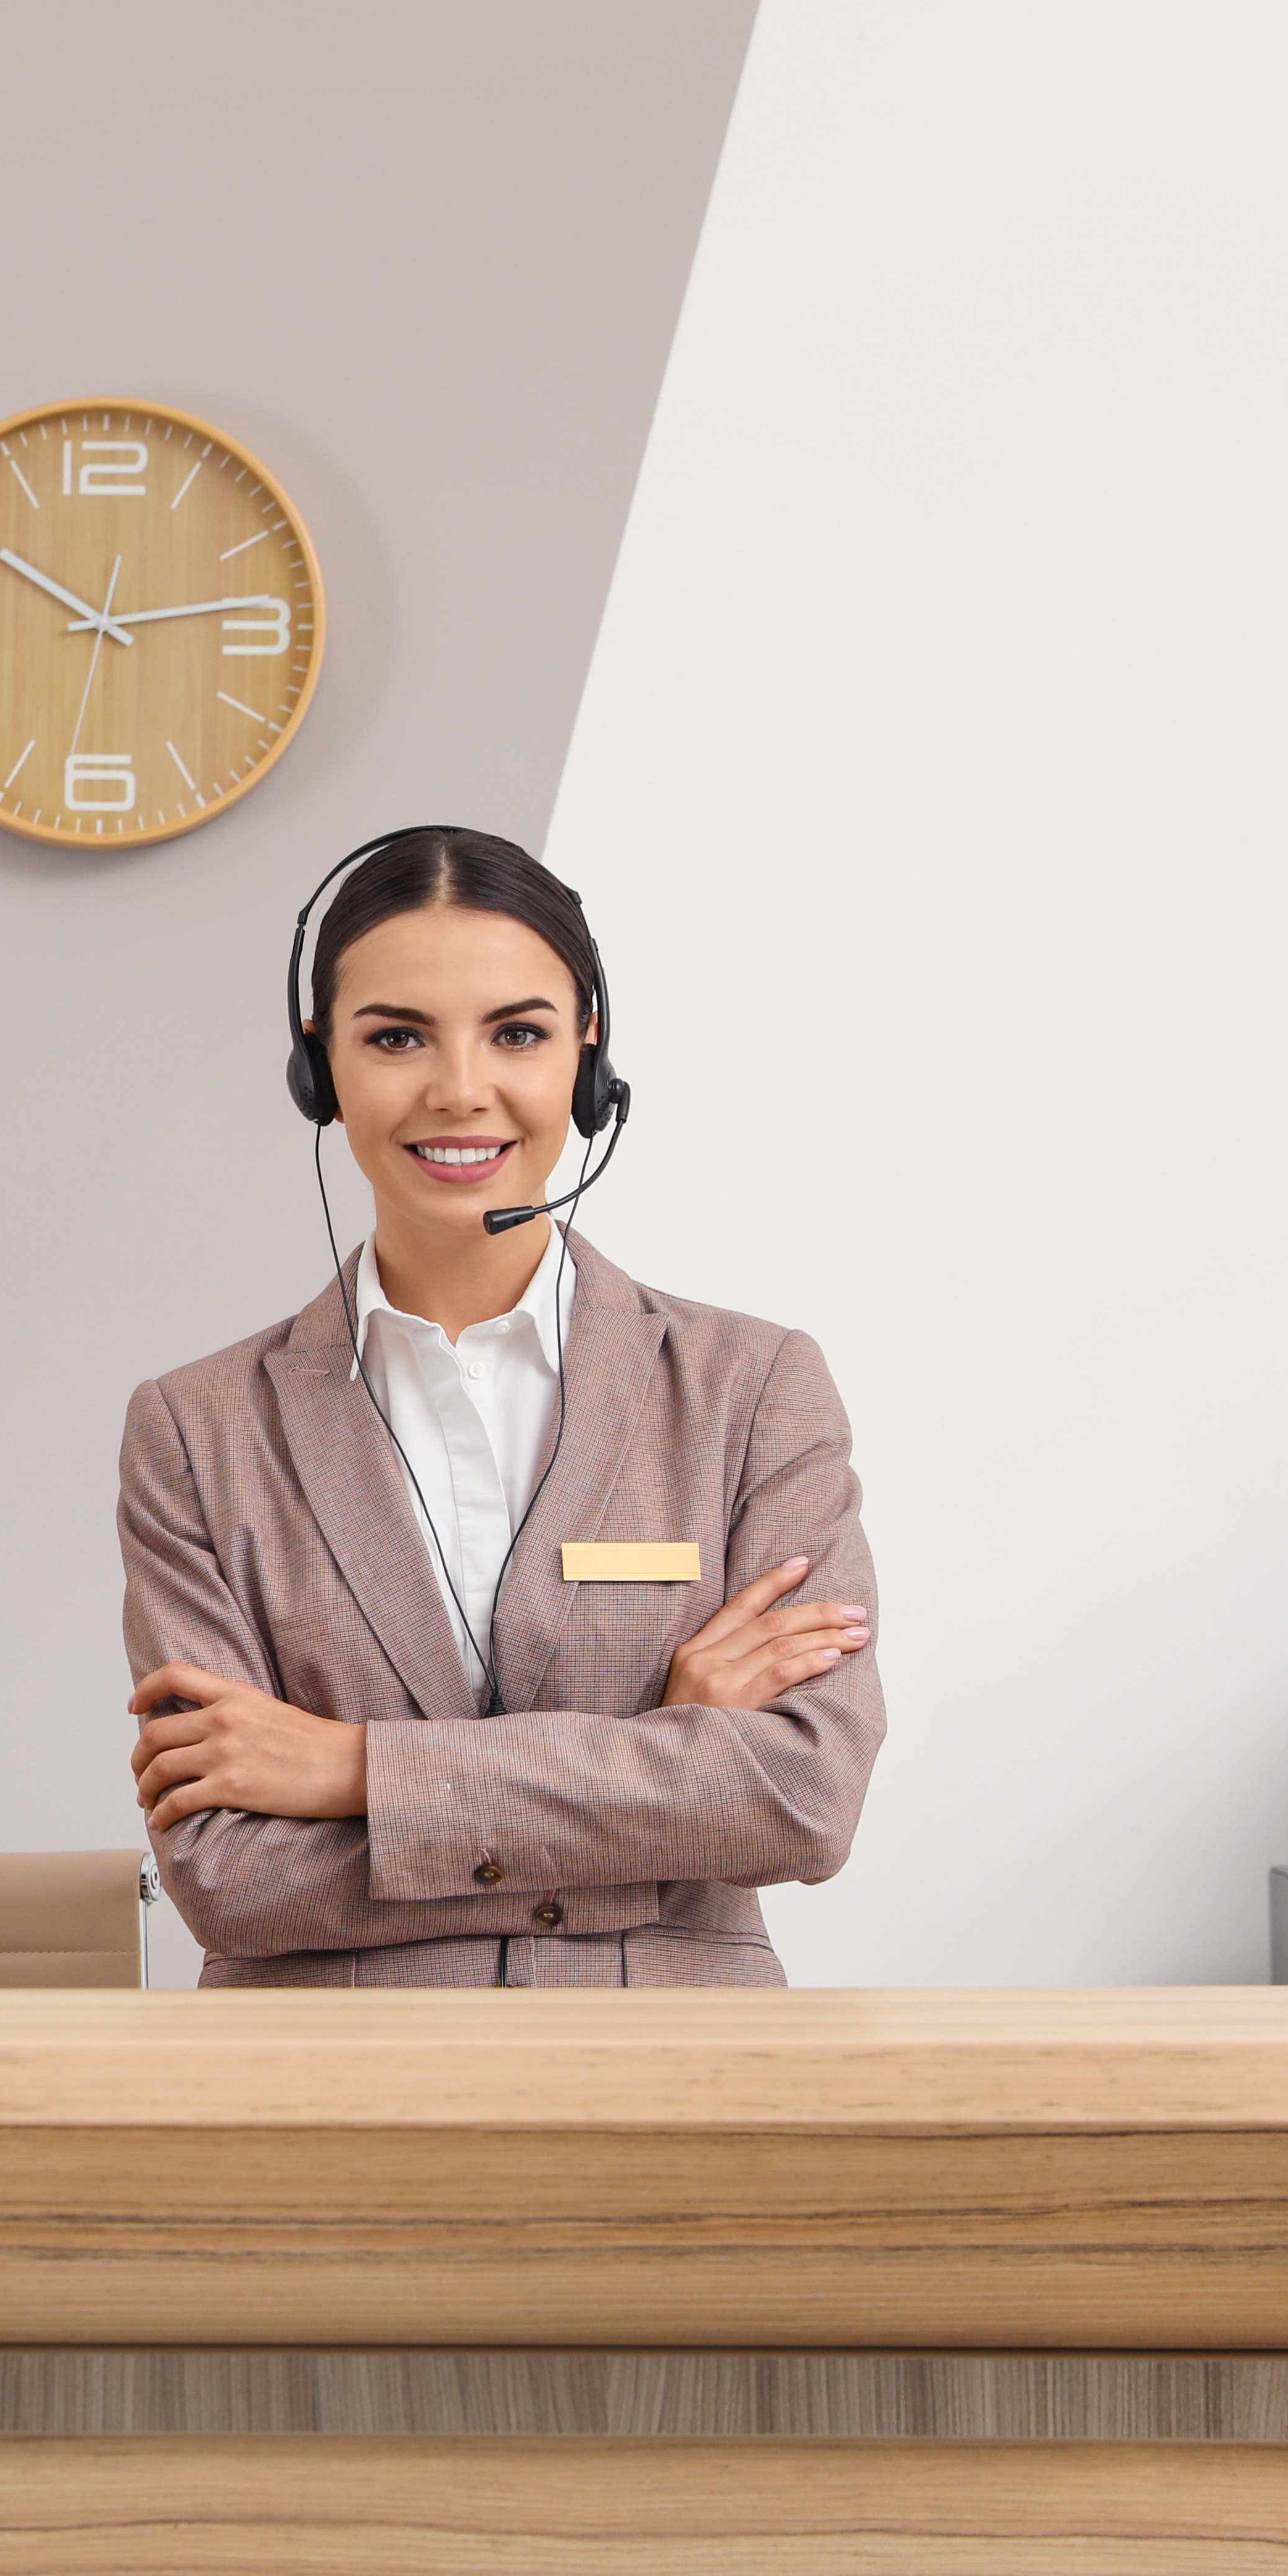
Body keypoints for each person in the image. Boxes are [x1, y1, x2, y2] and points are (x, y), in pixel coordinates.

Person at [120, 826, 878, 1986]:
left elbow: (801, 1799)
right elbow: (232, 1881)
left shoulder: (753, 1388)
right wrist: (667, 1761)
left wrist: (353, 1773)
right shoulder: (196, 1429)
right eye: (396, 1037)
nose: (460, 1090)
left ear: (588, 1056)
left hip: (682, 2097)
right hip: (326, 2111)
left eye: (517, 1033)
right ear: (319, 1069)